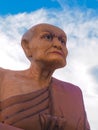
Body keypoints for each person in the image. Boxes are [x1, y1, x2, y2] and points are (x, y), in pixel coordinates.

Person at [0, 23, 90, 130]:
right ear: (27, 46)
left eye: (63, 41)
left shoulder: (74, 92)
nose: (58, 45)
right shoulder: (3, 78)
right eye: (47, 37)